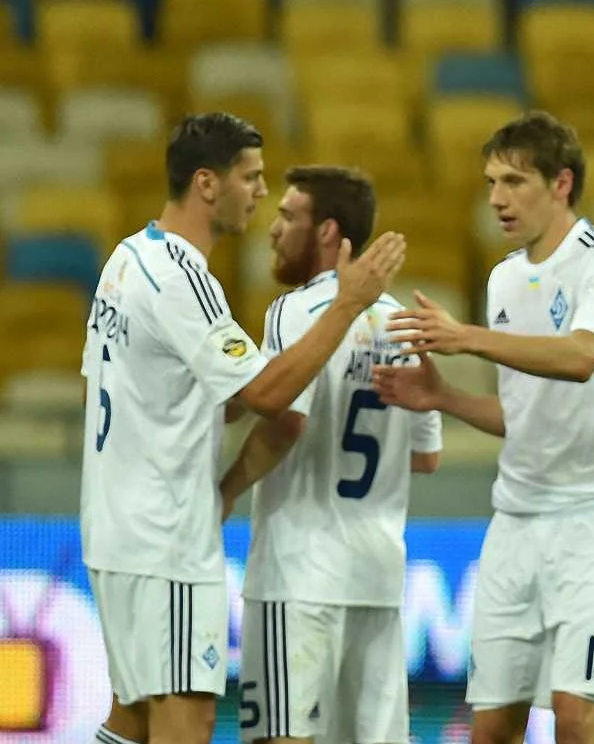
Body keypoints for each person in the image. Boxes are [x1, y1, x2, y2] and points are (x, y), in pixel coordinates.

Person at [81, 114, 406, 744]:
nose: (260, 193)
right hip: (167, 538)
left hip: (116, 526)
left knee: (134, 717)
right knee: (188, 719)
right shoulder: (183, 278)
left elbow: (172, 389)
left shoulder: (128, 257)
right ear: (207, 183)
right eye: (250, 177)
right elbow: (267, 398)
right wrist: (347, 304)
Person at [372, 111, 594, 744]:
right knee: (493, 726)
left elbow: (584, 356)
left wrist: (468, 339)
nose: (497, 198)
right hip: (515, 524)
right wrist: (444, 396)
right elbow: (523, 417)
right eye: (491, 182)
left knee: (576, 717)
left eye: (514, 181)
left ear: (561, 184)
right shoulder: (503, 277)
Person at [214, 166, 442, 744]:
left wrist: (226, 489)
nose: (273, 229)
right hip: (378, 576)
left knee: (280, 735)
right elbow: (426, 458)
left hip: (299, 572)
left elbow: (286, 422)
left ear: (326, 231)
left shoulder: (295, 310)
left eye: (288, 216)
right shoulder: (401, 322)